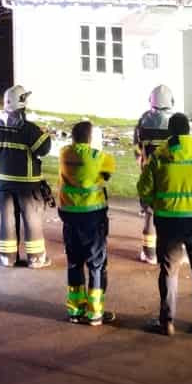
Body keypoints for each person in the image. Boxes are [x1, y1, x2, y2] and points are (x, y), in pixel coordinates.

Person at [138, 112, 192, 336]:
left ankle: (167, 321)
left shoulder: (159, 156)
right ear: (189, 130)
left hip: (169, 220)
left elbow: (144, 189)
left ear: (170, 132)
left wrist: (156, 203)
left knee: (169, 269)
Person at [57, 121, 116, 325]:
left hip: (69, 216)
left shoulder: (64, 153)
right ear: (91, 139)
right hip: (92, 216)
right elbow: (107, 173)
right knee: (96, 265)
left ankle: (75, 310)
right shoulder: (99, 157)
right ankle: (95, 312)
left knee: (74, 263)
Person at [0, 84, 51, 268]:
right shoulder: (29, 129)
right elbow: (44, 149)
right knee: (32, 219)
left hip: (4, 184)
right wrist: (45, 134)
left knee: (7, 220)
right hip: (27, 185)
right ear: (22, 102)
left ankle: (8, 257)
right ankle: (36, 258)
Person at [132, 84, 176, 263]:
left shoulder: (143, 120)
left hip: (149, 173)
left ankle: (149, 253)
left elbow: (137, 147)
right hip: (170, 174)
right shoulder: (175, 121)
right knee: (172, 213)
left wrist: (141, 162)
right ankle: (173, 252)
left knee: (150, 213)